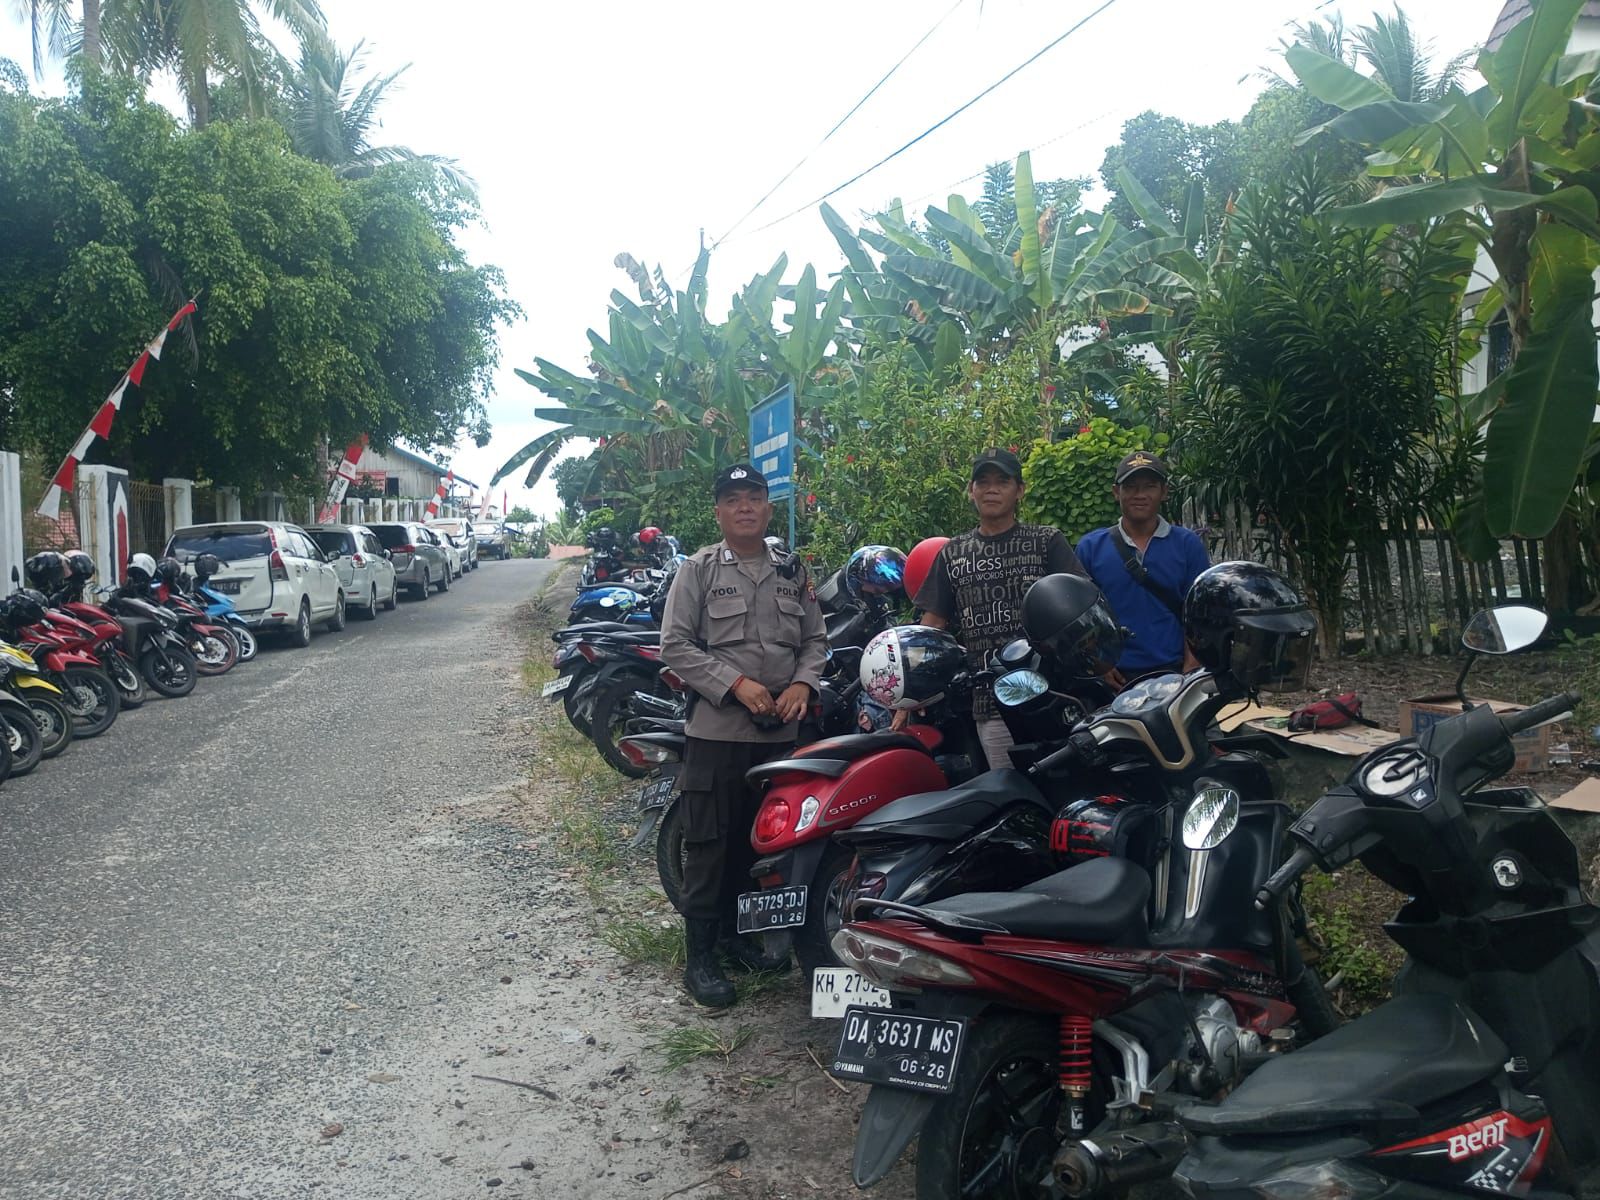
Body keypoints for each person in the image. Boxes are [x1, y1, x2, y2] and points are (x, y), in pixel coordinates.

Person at [659, 463, 828, 1007]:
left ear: (768, 508)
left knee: (762, 848)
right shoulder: (699, 570)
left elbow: (815, 639)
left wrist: (803, 683)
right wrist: (735, 684)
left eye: (753, 497)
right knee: (710, 845)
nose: (745, 507)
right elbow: (675, 645)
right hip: (719, 733)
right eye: (733, 499)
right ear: (719, 512)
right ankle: (700, 958)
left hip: (781, 735)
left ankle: (738, 940)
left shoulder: (792, 571)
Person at [907, 448, 1086, 771]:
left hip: (1055, 695)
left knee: (1070, 785)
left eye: (1002, 481)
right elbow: (932, 625)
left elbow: (1080, 606)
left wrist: (1100, 664)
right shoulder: (953, 553)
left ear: (1020, 490)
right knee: (1011, 791)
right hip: (991, 703)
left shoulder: (1046, 542)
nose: (992, 489)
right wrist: (908, 692)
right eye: (983, 482)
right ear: (971, 490)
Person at [1076, 451, 1211, 686]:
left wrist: (1190, 669)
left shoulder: (1187, 545)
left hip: (1175, 672)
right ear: (1116, 492)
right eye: (1130, 487)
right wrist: (1100, 665)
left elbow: (1199, 612)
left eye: (1150, 486)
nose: (1140, 495)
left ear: (1164, 492)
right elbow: (1081, 616)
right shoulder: (1090, 547)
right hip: (1115, 679)